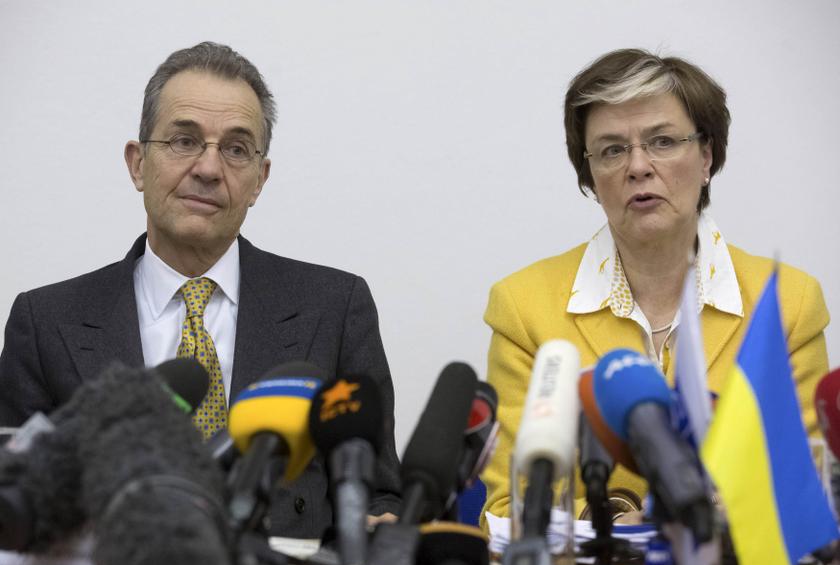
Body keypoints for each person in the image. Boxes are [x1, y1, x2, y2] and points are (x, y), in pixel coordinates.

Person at [0, 42, 400, 537]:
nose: (209, 169)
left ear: (259, 179)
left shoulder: (335, 308)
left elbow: (380, 490)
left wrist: (380, 529)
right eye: (184, 141)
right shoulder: (46, 322)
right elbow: (15, 502)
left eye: (235, 148)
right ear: (137, 164)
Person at [480, 48, 830, 526]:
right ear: (591, 177)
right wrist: (616, 517)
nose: (638, 167)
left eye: (662, 142)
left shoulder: (787, 302)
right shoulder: (524, 307)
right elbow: (511, 505)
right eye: (612, 150)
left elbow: (808, 483)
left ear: (706, 156)